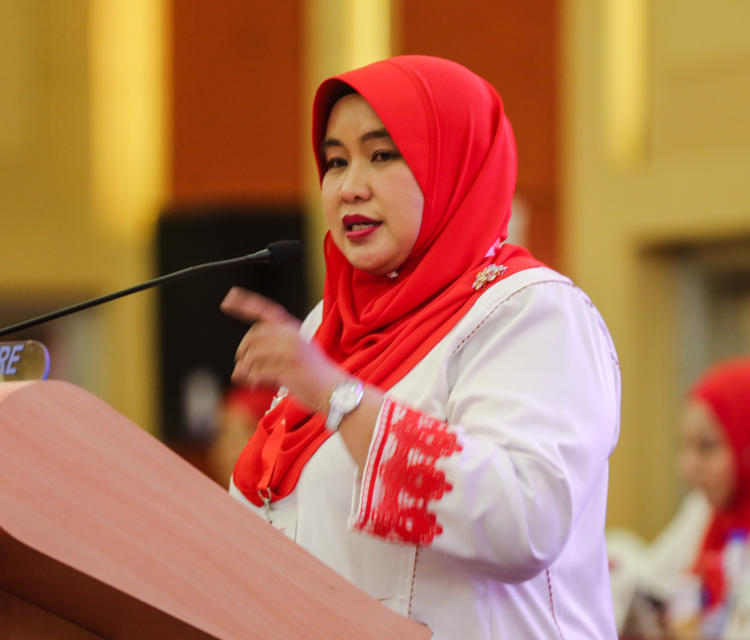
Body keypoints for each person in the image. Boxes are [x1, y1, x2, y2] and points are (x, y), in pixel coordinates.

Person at [220, 55, 621, 638]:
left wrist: (341, 399)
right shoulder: (325, 329)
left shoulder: (531, 312)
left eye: (382, 155)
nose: (350, 186)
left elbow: (523, 521)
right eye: (335, 161)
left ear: (452, 166)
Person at [611, 357, 750, 638]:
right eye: (686, 445)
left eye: (706, 447)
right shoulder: (705, 510)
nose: (687, 466)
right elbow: (651, 579)